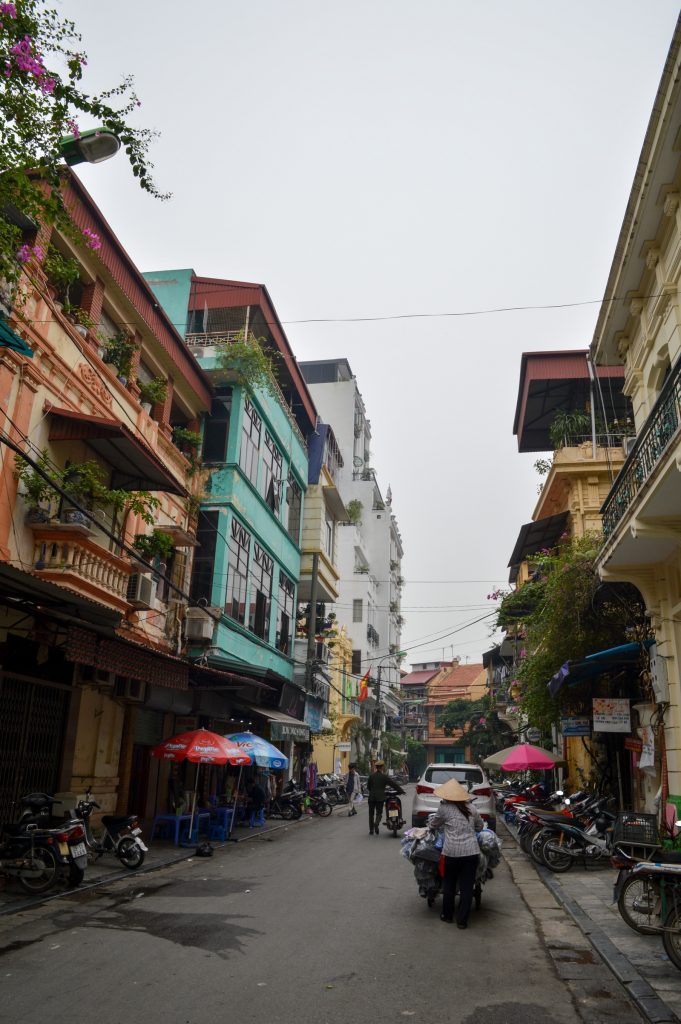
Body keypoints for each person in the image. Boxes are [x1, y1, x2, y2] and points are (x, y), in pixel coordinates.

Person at [428, 777, 484, 929]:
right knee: (467, 887)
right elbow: (480, 827)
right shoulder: (472, 808)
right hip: (471, 853)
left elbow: (433, 824)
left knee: (449, 885)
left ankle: (447, 915)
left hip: (451, 854)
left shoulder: (444, 808)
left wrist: (432, 826)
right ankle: (462, 921)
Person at [366, 760, 404, 835]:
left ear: (376, 767)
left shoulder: (371, 776)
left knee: (371, 814)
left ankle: (371, 830)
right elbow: (393, 784)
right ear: (382, 767)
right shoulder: (384, 777)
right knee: (379, 813)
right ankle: (376, 823)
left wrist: (373, 792)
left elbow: (368, 787)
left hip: (371, 797)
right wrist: (401, 791)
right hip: (380, 798)